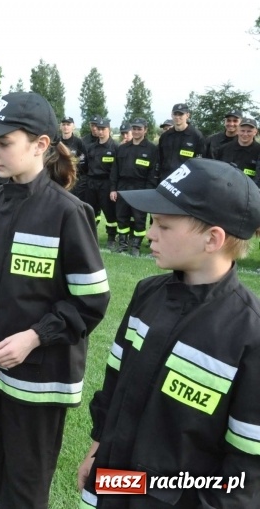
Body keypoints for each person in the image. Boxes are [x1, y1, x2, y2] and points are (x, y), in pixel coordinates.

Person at [0, 92, 110, 508]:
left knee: (24, 481)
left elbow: (90, 301)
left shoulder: (68, 212)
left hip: (37, 379)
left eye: (4, 143)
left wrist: (35, 336)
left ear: (40, 145)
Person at [77, 158, 260, 508]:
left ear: (213, 238)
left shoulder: (249, 333)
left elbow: (247, 467)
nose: (149, 234)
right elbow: (116, 382)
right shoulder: (148, 292)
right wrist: (98, 447)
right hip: (115, 482)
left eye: (163, 225)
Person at [109, 118, 158, 255]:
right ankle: (123, 245)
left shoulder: (152, 149)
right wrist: (113, 189)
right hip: (123, 187)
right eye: (134, 129)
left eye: (139, 129)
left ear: (145, 130)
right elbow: (115, 170)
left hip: (141, 187)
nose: (136, 131)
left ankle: (136, 246)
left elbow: (153, 172)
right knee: (122, 217)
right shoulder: (122, 148)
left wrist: (148, 191)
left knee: (139, 218)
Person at [87, 117, 119, 249]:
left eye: (103, 129)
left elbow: (116, 170)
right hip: (92, 182)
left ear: (109, 130)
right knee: (90, 211)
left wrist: (113, 187)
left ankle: (111, 237)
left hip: (106, 183)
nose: (100, 132)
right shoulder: (91, 147)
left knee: (109, 212)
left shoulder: (115, 147)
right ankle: (90, 236)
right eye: (98, 129)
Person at [156, 103, 205, 181]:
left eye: (181, 114)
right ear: (171, 115)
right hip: (165, 179)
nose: (177, 117)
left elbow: (199, 163)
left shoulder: (196, 136)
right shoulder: (165, 136)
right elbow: (159, 159)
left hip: (186, 181)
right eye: (175, 114)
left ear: (187, 115)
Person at [214, 117, 260, 181]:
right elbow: (216, 170)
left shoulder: (258, 151)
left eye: (249, 131)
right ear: (238, 130)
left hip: (249, 189)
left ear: (255, 132)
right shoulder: (224, 148)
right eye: (242, 130)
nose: (245, 134)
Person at [59, 116, 89, 202]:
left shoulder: (78, 142)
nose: (65, 127)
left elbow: (84, 161)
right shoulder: (56, 142)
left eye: (68, 124)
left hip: (75, 181)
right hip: (59, 179)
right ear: (60, 126)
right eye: (63, 124)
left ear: (73, 126)